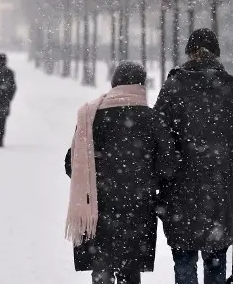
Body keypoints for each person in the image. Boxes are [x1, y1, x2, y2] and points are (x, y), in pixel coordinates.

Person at [154, 28, 233, 284]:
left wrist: (167, 174)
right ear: (216, 55)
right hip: (220, 195)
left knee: (184, 262)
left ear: (189, 53)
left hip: (180, 194)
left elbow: (159, 139)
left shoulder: (173, 87)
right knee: (216, 264)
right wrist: (231, 178)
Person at [65, 62, 177, 284]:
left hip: (99, 210)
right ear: (142, 85)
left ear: (114, 83)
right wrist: (146, 179)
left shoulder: (91, 117)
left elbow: (71, 164)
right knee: (130, 272)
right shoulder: (152, 119)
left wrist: (95, 180)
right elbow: (168, 166)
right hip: (137, 209)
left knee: (102, 270)